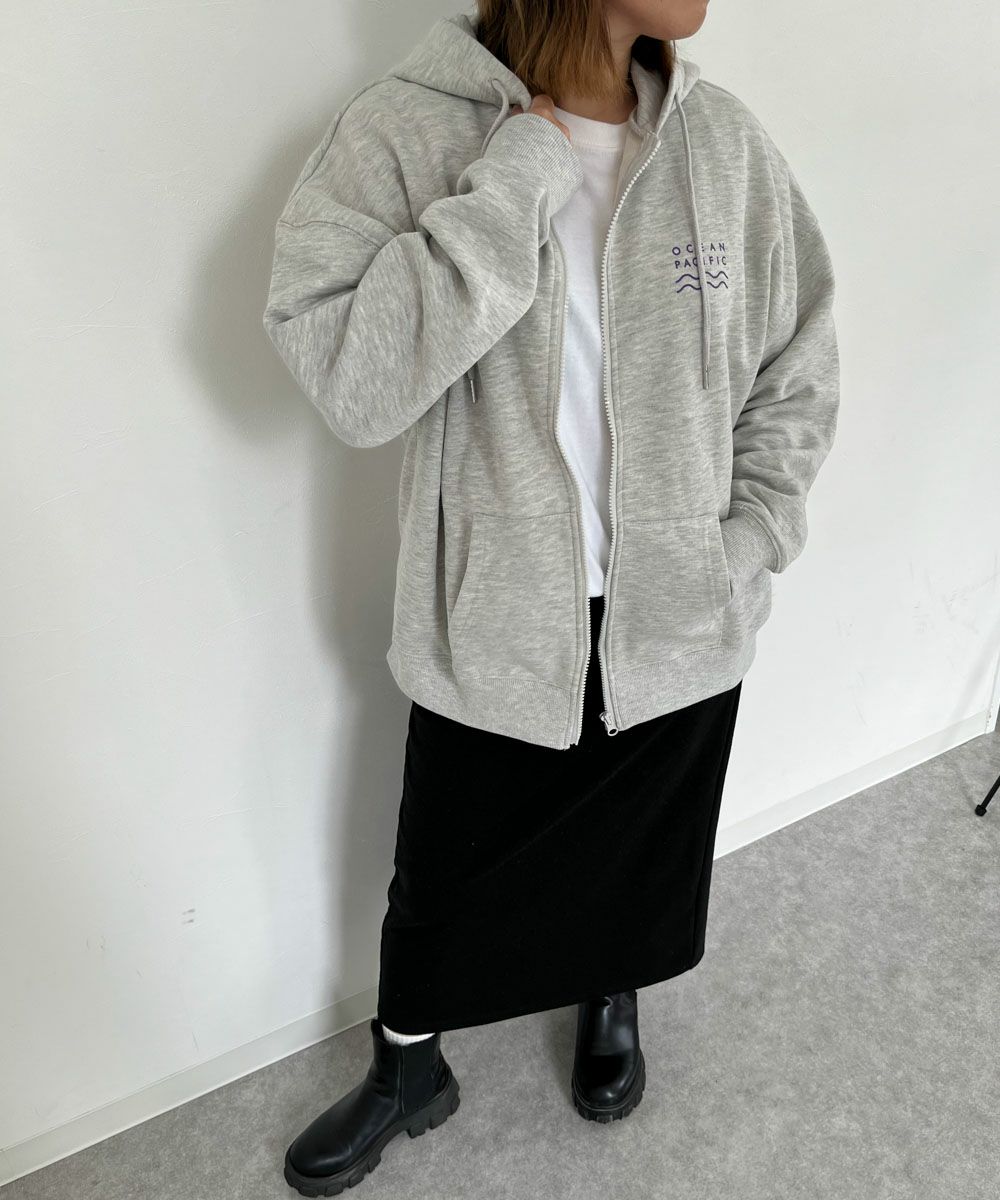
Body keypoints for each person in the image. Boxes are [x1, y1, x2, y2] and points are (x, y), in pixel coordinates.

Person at [262, 0, 839, 1192]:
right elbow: (349, 376)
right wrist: (517, 171)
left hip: (679, 612)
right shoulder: (407, 130)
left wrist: (752, 536)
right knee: (442, 870)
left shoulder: (720, 142)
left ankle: (609, 992)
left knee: (639, 850)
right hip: (497, 614)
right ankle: (407, 1065)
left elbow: (799, 359)